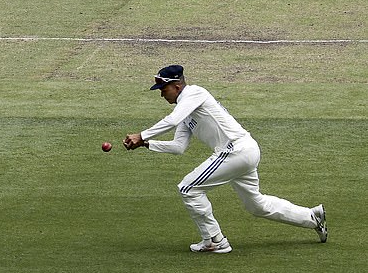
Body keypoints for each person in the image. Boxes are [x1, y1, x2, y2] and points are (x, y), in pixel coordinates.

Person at [123, 64, 327, 253]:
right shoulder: (186, 112)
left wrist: (142, 135)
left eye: (163, 89)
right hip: (243, 152)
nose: (161, 94)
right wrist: (147, 144)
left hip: (235, 150)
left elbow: (172, 119)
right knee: (256, 205)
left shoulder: (195, 93)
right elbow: (178, 147)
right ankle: (311, 217)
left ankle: (214, 240)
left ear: (177, 86)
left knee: (188, 188)